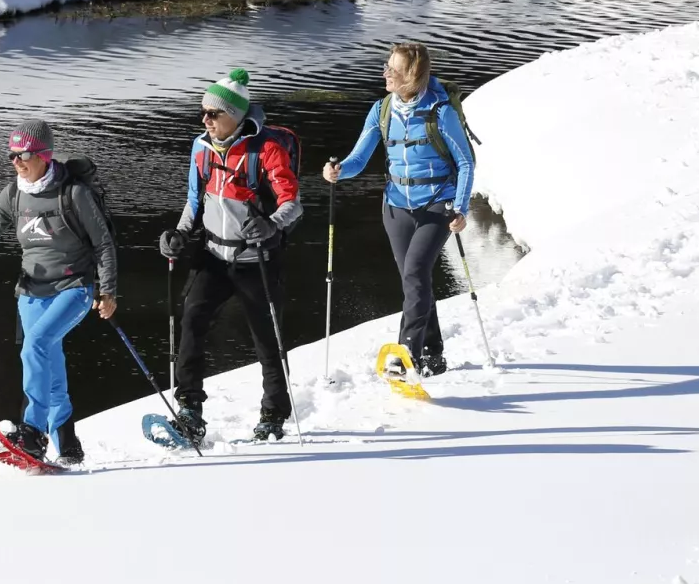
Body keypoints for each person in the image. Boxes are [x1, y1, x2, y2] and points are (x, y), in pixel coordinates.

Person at [0, 119, 117, 465]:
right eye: (13, 155)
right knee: (49, 361)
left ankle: (32, 431)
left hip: (73, 288)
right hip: (31, 292)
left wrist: (107, 291)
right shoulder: (14, 193)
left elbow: (104, 245)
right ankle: (68, 444)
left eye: (25, 155)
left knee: (36, 347)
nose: (17, 162)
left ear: (45, 155)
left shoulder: (73, 193)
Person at [158, 69, 302, 444]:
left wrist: (271, 226)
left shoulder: (266, 149)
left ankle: (273, 415)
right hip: (213, 256)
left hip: (257, 261)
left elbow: (293, 204)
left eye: (213, 114)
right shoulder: (201, 148)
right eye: (203, 112)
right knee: (191, 322)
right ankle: (190, 409)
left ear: (235, 116)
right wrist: (178, 234)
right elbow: (193, 201)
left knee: (266, 341)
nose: (205, 120)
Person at [322, 41, 475, 377]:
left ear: (412, 75)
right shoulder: (382, 109)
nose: (385, 73)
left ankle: (407, 354)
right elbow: (359, 158)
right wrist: (338, 171)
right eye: (387, 65)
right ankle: (434, 353)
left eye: (394, 68)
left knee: (415, 272)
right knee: (413, 280)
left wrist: (460, 208)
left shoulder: (441, 111)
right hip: (395, 207)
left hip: (438, 203)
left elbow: (465, 162)